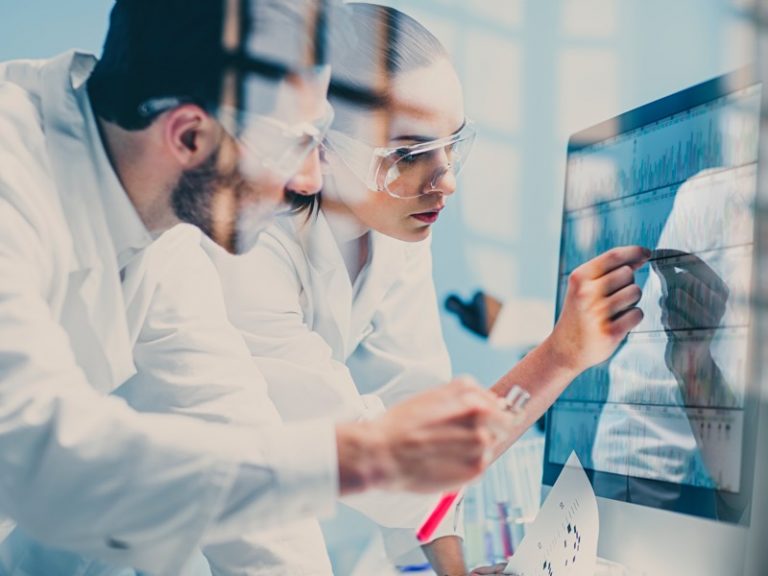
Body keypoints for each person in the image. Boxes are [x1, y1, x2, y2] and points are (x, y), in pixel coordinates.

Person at [0, 1, 516, 574]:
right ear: (190, 135)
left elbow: (231, 425)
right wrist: (362, 455)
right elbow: (40, 459)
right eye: (296, 144)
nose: (310, 180)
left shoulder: (164, 232)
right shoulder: (12, 179)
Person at [212, 3, 650, 573]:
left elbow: (412, 406)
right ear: (314, 145)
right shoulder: (244, 249)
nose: (444, 181)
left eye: (450, 145)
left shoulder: (393, 229)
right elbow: (389, 464)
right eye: (409, 154)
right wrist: (561, 356)